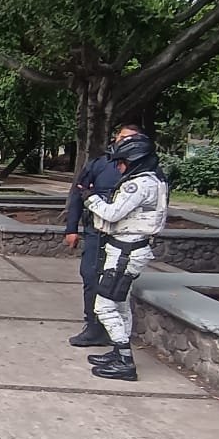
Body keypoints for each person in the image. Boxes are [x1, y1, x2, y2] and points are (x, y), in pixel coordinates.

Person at [82, 133, 168, 381]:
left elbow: (112, 213)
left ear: (134, 160)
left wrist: (90, 199)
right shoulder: (154, 181)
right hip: (131, 248)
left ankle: (125, 359)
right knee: (120, 302)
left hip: (126, 250)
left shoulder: (139, 184)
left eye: (121, 162)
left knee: (104, 305)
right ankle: (119, 353)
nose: (118, 167)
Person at [64, 128, 130, 348]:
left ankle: (118, 335)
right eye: (120, 138)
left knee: (116, 283)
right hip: (96, 232)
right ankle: (93, 327)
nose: (122, 143)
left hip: (125, 236)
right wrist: (71, 228)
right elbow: (78, 193)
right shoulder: (100, 164)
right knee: (90, 275)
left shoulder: (146, 174)